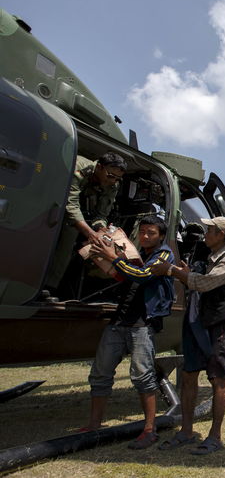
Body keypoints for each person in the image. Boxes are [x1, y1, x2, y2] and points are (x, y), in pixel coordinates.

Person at [153, 216, 225, 455]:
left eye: (211, 230)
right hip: (195, 322)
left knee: (217, 379)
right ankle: (186, 431)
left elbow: (207, 283)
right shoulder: (206, 257)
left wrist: (173, 271)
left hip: (217, 325)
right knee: (188, 375)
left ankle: (215, 436)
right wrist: (185, 274)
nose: (206, 233)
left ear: (222, 236)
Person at [83, 215, 175, 449]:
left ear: (161, 235)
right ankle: (94, 425)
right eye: (142, 231)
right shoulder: (135, 252)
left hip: (142, 324)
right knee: (100, 373)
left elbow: (143, 276)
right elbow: (121, 275)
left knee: (143, 376)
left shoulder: (164, 255)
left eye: (151, 233)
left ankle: (149, 430)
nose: (145, 236)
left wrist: (113, 258)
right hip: (119, 321)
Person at [45, 152, 127, 295]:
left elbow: (101, 214)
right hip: (51, 202)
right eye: (110, 176)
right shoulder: (78, 167)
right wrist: (90, 233)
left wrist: (102, 230)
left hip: (76, 214)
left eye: (118, 178)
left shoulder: (113, 184)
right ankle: (45, 285)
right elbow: (71, 205)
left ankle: (50, 287)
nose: (113, 181)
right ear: (99, 167)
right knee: (69, 233)